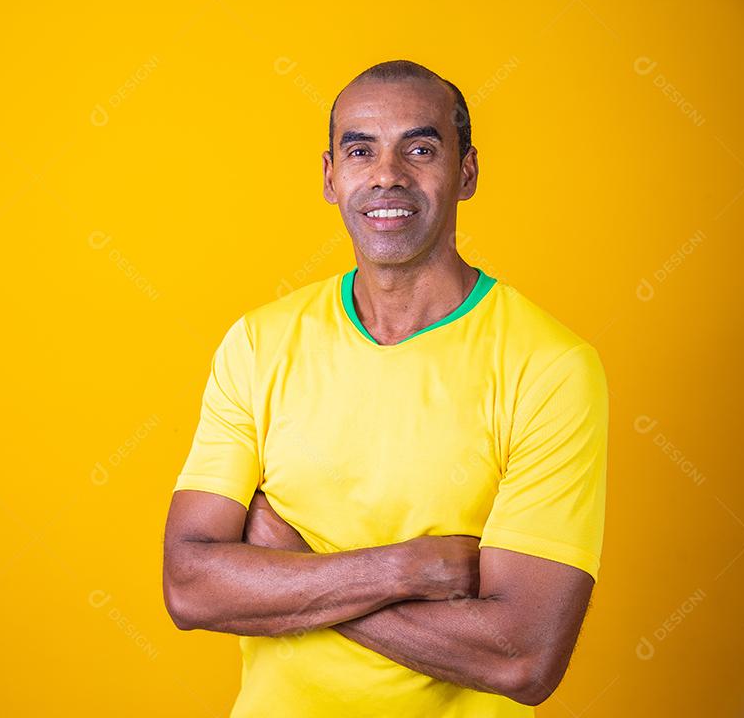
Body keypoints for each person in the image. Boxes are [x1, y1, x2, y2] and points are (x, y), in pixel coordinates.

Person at [161, 59, 608, 717]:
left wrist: (291, 567)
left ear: (467, 172)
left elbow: (521, 658)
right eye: (360, 150)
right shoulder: (258, 343)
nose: (387, 175)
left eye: (419, 150)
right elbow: (190, 587)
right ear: (330, 177)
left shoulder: (551, 368)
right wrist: (407, 571)